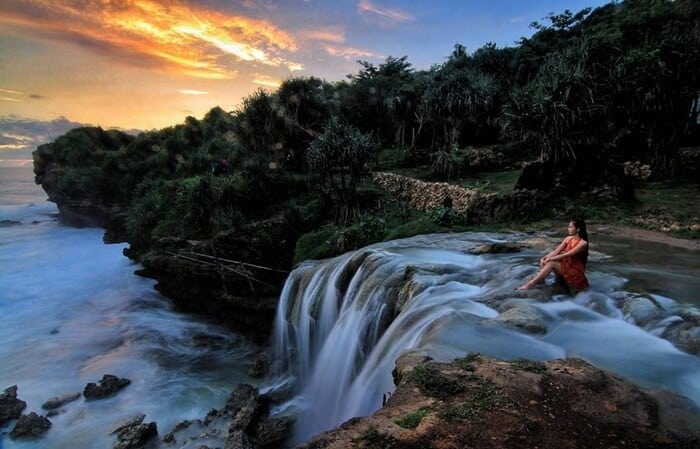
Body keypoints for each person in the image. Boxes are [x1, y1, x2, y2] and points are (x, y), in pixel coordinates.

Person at [519, 219, 590, 291]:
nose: (568, 229)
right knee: (547, 261)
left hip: (575, 270)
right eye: (568, 227)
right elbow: (556, 251)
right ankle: (540, 279)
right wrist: (544, 258)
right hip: (566, 265)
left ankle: (530, 284)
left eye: (571, 227)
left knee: (551, 263)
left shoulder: (583, 243)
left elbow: (566, 255)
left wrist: (551, 259)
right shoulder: (568, 239)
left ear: (578, 229)